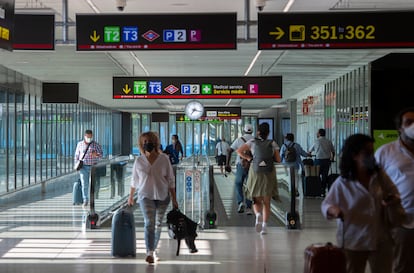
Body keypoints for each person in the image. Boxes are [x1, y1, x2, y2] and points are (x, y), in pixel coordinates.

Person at [322, 134, 399, 273]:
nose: (371, 156)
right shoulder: (343, 183)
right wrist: (335, 211)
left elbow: (395, 193)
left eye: (372, 152)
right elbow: (327, 205)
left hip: (380, 238)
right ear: (354, 155)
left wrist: (391, 200)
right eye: (367, 153)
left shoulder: (379, 176)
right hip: (353, 240)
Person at [127, 131, 178, 264]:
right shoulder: (139, 161)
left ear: (155, 143)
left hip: (162, 196)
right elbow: (134, 180)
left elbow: (171, 180)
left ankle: (153, 250)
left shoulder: (164, 159)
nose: (146, 144)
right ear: (141, 144)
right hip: (145, 195)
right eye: (144, 142)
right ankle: (149, 251)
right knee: (149, 223)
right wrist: (131, 197)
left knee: (158, 224)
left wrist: (174, 199)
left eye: (149, 141)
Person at [375, 107, 414, 273]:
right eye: (409, 122)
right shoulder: (385, 152)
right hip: (402, 219)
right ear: (400, 128)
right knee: (403, 265)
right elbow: (374, 184)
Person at [237, 122, 281, 235]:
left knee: (256, 199)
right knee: (267, 201)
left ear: (258, 132)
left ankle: (258, 215)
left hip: (255, 172)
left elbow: (239, 151)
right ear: (268, 133)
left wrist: (249, 158)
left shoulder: (252, 142)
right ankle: (264, 227)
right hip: (269, 173)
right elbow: (278, 159)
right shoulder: (273, 143)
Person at [226, 124, 255, 214]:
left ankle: (240, 202)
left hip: (241, 165)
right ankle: (249, 207)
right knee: (250, 186)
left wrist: (228, 164)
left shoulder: (239, 140)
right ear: (252, 131)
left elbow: (229, 150)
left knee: (238, 183)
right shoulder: (256, 140)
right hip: (253, 165)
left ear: (244, 130)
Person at [74, 129, 103, 209]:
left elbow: (101, 155)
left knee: (93, 184)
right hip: (83, 167)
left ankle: (92, 199)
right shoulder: (80, 144)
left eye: (91, 137)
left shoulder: (95, 145)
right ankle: (85, 199)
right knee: (84, 183)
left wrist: (96, 154)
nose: (89, 138)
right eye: (88, 137)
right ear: (85, 136)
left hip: (93, 167)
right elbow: (76, 155)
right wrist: (76, 165)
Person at [308, 128, 335, 197]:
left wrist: (310, 155)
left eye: (317, 133)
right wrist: (332, 158)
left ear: (319, 134)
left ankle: (317, 189)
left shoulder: (316, 141)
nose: (316, 134)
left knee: (316, 175)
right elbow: (333, 151)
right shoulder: (329, 141)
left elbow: (309, 151)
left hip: (318, 161)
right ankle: (323, 191)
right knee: (324, 176)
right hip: (327, 161)